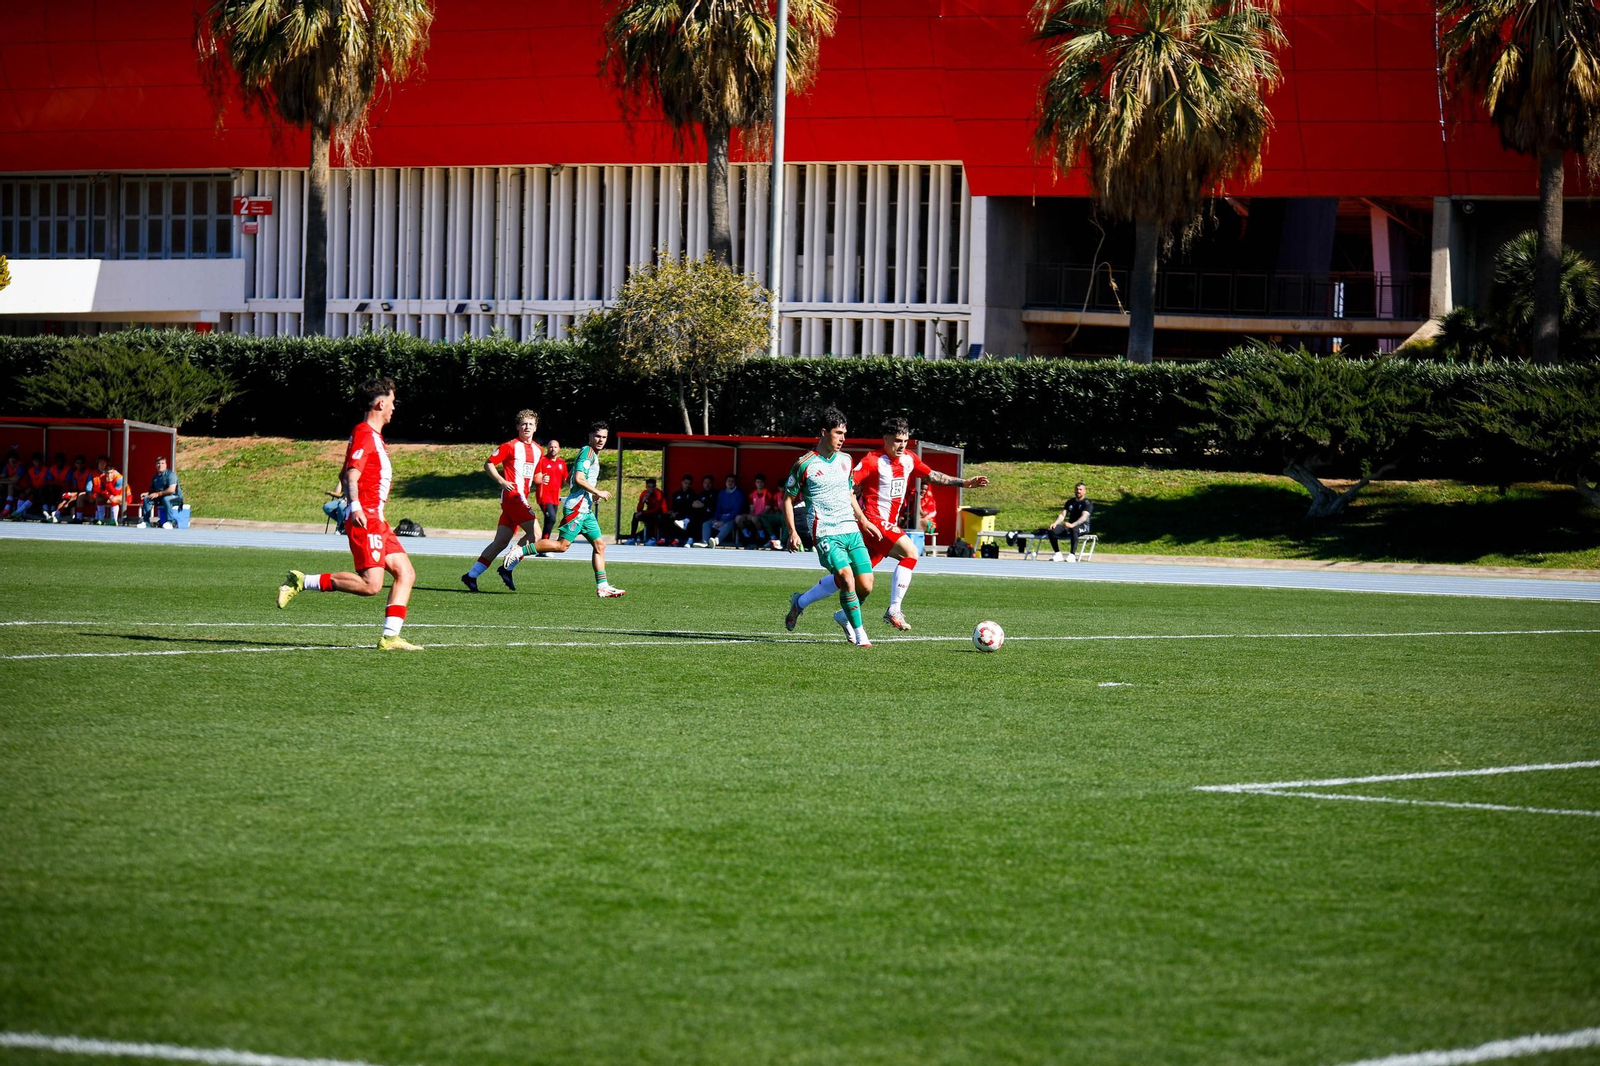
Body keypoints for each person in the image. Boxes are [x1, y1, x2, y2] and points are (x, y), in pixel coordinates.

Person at [276, 377, 422, 651]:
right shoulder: (366, 434)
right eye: (392, 402)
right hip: (365, 518)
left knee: (406, 572)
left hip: (377, 519)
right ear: (380, 403)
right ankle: (302, 581)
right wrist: (354, 506)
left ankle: (390, 638)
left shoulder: (370, 436)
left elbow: (346, 472)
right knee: (371, 585)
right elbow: (352, 474)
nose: (394, 407)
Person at [849, 416, 989, 631]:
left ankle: (804, 602)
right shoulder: (872, 460)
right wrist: (860, 515)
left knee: (850, 578)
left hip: (885, 526)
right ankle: (894, 609)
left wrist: (965, 483)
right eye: (897, 440)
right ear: (885, 439)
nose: (901, 445)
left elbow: (933, 476)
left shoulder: (909, 459)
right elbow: (848, 484)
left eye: (905, 440)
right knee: (911, 552)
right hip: (874, 523)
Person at [781, 407, 884, 648]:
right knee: (846, 578)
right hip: (826, 531)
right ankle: (861, 636)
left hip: (851, 529)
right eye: (838, 433)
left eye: (845, 434)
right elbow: (787, 497)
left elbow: (848, 493)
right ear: (824, 432)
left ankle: (805, 604)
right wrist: (792, 531)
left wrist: (863, 520)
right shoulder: (804, 464)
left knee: (866, 585)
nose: (843, 438)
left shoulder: (846, 461)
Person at [503, 421, 625, 598]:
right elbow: (579, 478)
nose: (601, 440)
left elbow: (569, 480)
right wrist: (597, 491)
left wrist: (591, 495)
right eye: (598, 436)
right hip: (577, 508)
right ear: (590, 436)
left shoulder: (591, 454)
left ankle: (603, 586)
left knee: (600, 545)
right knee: (561, 546)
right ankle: (519, 551)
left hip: (585, 508)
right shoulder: (588, 452)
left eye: (604, 437)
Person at [462, 410, 545, 593]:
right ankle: (508, 566)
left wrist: (542, 480)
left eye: (530, 424)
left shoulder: (539, 450)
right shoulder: (509, 446)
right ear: (517, 426)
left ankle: (471, 575)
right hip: (513, 497)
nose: (527, 427)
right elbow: (489, 463)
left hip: (520, 499)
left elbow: (536, 475)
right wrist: (501, 481)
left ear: (536, 427)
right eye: (523, 424)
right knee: (536, 534)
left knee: (500, 542)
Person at [1041, 481, 1093, 561]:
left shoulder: (1087, 503)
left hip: (1083, 526)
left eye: (1080, 489)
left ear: (1084, 491)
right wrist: (1055, 523)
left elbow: (1084, 517)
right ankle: (1058, 554)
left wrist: (1073, 525)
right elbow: (1062, 515)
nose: (1078, 491)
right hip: (1070, 526)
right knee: (1051, 530)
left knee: (1074, 529)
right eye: (1077, 489)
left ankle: (1072, 555)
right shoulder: (1070, 502)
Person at [737, 473, 783, 548]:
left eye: (761, 482)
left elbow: (767, 509)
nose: (759, 484)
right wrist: (750, 515)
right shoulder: (752, 494)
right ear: (755, 483)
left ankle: (762, 537)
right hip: (754, 516)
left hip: (763, 516)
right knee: (738, 518)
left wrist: (755, 516)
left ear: (764, 483)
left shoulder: (768, 494)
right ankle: (746, 536)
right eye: (758, 482)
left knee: (754, 519)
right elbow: (752, 509)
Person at [137, 454, 183, 528]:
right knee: (147, 499)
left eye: (162, 463)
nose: (160, 465)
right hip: (161, 497)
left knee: (166, 499)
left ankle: (170, 522)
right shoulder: (155, 477)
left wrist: (158, 494)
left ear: (166, 465)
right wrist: (147, 493)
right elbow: (152, 490)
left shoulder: (171, 474)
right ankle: (146, 522)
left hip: (175, 497)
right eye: (158, 463)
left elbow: (172, 490)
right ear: (155, 465)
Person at [535, 438, 567, 539]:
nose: (553, 449)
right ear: (547, 448)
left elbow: (566, 478)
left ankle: (543, 546)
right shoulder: (542, 461)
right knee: (551, 518)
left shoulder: (561, 463)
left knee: (550, 520)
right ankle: (544, 543)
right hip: (544, 496)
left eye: (555, 447)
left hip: (555, 497)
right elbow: (535, 476)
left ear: (559, 449)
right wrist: (540, 479)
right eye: (551, 447)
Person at [703, 474, 745, 547]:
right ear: (725, 482)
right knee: (706, 524)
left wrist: (723, 521)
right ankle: (705, 542)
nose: (730, 483)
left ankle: (715, 541)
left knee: (727, 525)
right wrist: (716, 519)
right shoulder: (721, 493)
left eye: (732, 481)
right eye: (728, 481)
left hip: (732, 519)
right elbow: (718, 508)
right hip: (721, 517)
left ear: (735, 483)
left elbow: (737, 511)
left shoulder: (739, 494)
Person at [49, 455, 92, 523]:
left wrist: (74, 494)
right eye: (77, 463)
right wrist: (70, 494)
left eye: (81, 463)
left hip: (88, 494)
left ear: (84, 464)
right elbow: (75, 488)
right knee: (66, 498)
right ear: (75, 464)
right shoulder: (75, 473)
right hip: (78, 493)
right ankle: (55, 514)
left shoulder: (89, 473)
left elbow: (88, 489)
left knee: (76, 497)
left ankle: (78, 518)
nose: (79, 465)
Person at [628, 477, 665, 544]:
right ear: (646, 487)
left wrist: (643, 512)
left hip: (659, 513)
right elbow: (639, 509)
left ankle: (652, 538)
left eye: (652, 487)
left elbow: (656, 509)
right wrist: (643, 501)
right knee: (635, 515)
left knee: (653, 517)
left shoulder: (658, 494)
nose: (651, 489)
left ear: (655, 487)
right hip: (649, 512)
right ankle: (632, 537)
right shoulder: (644, 493)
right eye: (649, 487)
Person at [92, 458, 126, 525]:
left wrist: (109, 483)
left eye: (111, 473)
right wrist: (108, 495)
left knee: (114, 499)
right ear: (105, 472)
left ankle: (114, 520)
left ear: (114, 471)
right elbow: (101, 490)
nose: (109, 475)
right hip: (110, 495)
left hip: (125, 496)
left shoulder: (119, 478)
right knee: (99, 497)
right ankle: (101, 520)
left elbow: (116, 493)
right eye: (107, 473)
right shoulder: (102, 477)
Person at [667, 474, 697, 546]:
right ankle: (665, 539)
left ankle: (682, 539)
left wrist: (677, 513)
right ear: (682, 482)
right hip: (676, 514)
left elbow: (690, 507)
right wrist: (672, 512)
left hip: (686, 514)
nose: (687, 485)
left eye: (689, 484)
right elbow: (673, 506)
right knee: (665, 517)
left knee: (692, 518)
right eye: (685, 483)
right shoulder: (676, 494)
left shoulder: (693, 494)